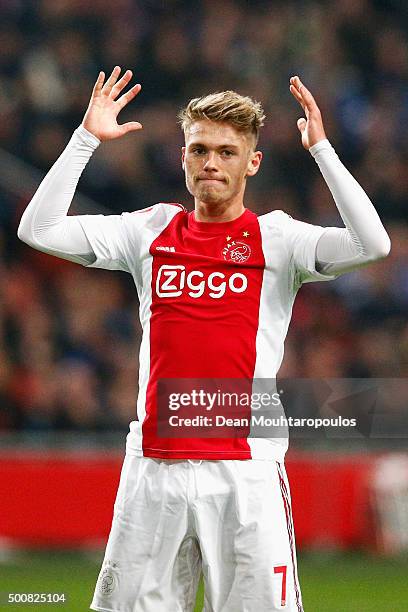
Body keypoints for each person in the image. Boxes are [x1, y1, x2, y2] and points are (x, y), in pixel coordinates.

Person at [18, 66, 390, 612]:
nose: (210, 162)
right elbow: (38, 229)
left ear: (252, 162)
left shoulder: (278, 239)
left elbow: (373, 243)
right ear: (182, 157)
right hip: (153, 466)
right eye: (198, 149)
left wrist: (323, 150)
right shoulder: (150, 230)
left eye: (226, 151)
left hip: (245, 469)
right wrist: (85, 140)